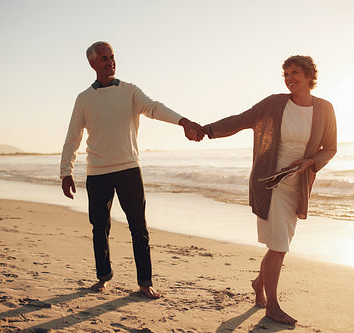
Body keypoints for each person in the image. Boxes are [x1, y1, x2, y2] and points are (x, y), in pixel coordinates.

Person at [60, 41, 205, 299]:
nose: (110, 62)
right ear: (93, 64)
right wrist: (65, 172)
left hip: (129, 169)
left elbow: (154, 108)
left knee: (139, 227)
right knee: (99, 227)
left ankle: (145, 282)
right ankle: (103, 278)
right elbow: (73, 137)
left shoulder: (130, 91)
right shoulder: (84, 99)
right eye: (104, 58)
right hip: (97, 173)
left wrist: (183, 121)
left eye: (112, 57)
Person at [203, 55, 337, 324]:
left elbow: (330, 148)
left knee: (280, 243)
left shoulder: (325, 109)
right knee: (279, 246)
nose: (289, 78)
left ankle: (258, 283)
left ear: (310, 76)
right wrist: (207, 129)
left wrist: (311, 162)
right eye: (285, 74)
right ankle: (272, 306)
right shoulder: (274, 104)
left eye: (295, 72)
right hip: (270, 183)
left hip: (296, 187)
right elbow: (242, 119)